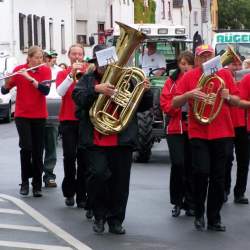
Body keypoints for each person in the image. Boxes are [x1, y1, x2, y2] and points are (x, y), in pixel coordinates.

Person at [72, 44, 152, 234]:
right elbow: (78, 97)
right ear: (97, 63)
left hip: (121, 139)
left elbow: (142, 107)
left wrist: (145, 91)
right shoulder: (88, 79)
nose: (106, 66)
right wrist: (97, 90)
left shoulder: (127, 79)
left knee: (120, 182)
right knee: (98, 176)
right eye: (102, 62)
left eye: (109, 62)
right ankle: (99, 215)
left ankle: (115, 220)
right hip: (96, 139)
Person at [172, 44, 240, 232]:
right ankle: (199, 212)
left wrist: (228, 96)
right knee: (201, 172)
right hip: (198, 132)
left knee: (218, 178)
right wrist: (188, 94)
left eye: (209, 56)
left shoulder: (224, 75)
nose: (206, 59)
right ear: (197, 59)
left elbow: (237, 100)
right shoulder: (189, 76)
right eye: (202, 56)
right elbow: (174, 102)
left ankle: (214, 218)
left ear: (214, 57)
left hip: (223, 132)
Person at [1, 46, 51, 197]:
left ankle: (36, 185)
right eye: (36, 57)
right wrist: (8, 80)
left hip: (39, 115)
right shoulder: (19, 69)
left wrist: (30, 78)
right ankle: (24, 182)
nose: (39, 60)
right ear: (29, 58)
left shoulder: (45, 70)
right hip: (22, 115)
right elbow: (4, 90)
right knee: (26, 147)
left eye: (41, 58)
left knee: (38, 150)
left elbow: (45, 90)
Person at [160, 51, 195, 217]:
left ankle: (190, 202)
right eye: (183, 63)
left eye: (188, 63)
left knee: (192, 166)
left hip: (194, 128)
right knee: (178, 164)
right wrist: (180, 105)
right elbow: (166, 105)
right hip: (176, 128)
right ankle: (176, 201)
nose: (186, 66)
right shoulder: (171, 82)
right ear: (179, 65)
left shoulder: (198, 80)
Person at [56, 44, 89, 208]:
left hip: (84, 120)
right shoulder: (62, 73)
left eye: (80, 54)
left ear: (83, 55)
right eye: (74, 54)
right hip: (68, 119)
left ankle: (82, 195)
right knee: (69, 157)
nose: (77, 57)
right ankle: (69, 192)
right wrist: (70, 75)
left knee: (83, 159)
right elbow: (60, 93)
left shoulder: (88, 72)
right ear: (69, 56)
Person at [223, 58, 250, 204]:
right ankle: (224, 189)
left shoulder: (245, 79)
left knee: (244, 160)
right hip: (226, 123)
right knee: (226, 158)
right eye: (234, 64)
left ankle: (240, 192)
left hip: (242, 124)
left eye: (239, 64)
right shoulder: (223, 78)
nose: (237, 67)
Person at [43, 51, 62, 188]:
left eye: (51, 58)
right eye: (46, 58)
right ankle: (36, 175)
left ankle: (49, 175)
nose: (50, 60)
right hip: (35, 112)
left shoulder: (59, 71)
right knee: (34, 147)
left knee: (51, 146)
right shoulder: (34, 71)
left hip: (52, 110)